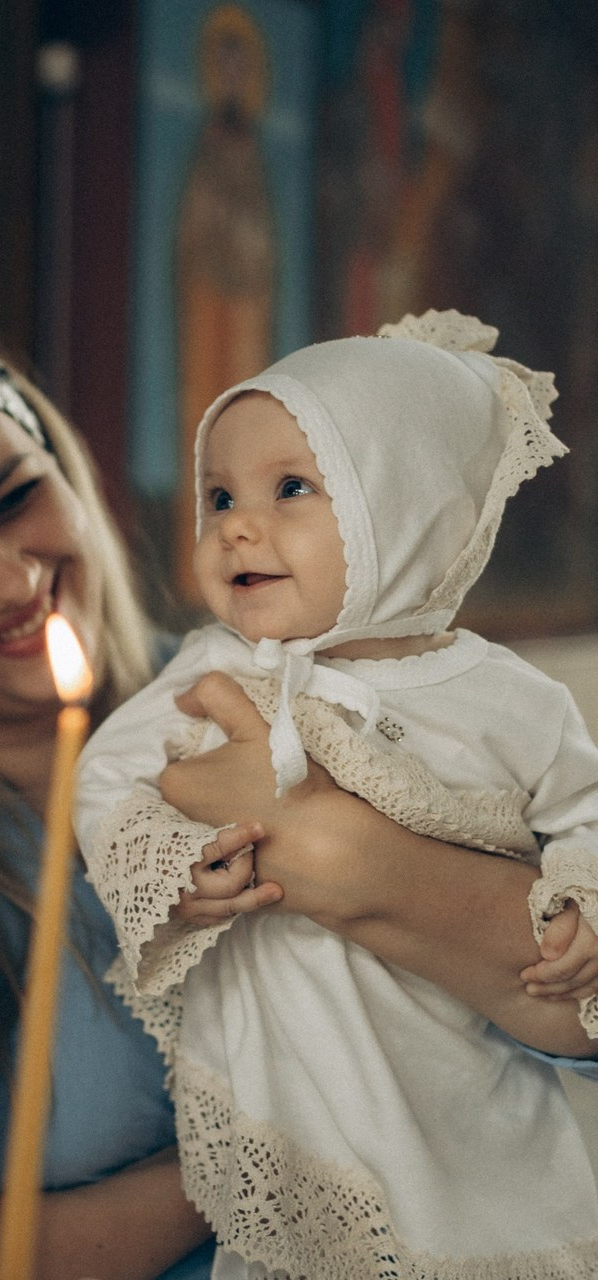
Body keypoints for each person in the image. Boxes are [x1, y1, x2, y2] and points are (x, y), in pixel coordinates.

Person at [0, 321, 598, 1280]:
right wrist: (277, 1168)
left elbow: (573, 1022)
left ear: (71, 475)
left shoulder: (319, 695)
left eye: (17, 498)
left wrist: (351, 857)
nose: (13, 577)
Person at [75, 309, 598, 1277]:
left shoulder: (501, 696)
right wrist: (170, 866)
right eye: (216, 492)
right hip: (297, 1089)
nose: (235, 521)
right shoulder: (207, 671)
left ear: (403, 510)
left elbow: (584, 806)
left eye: (289, 488)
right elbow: (107, 779)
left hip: (465, 1082)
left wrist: (580, 895)